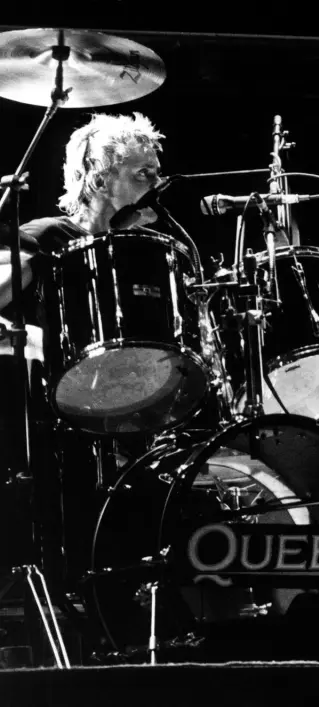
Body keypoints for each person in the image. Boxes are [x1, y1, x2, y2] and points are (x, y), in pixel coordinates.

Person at [0, 113, 165, 577]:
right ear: (98, 175)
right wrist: (34, 329)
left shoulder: (143, 250)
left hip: (128, 417)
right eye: (142, 173)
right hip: (52, 425)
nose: (157, 182)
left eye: (156, 171)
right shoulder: (47, 235)